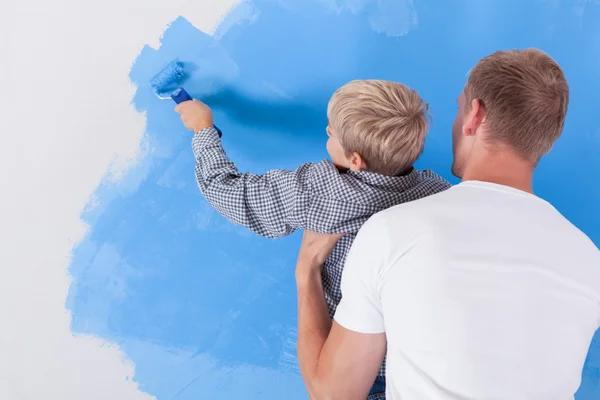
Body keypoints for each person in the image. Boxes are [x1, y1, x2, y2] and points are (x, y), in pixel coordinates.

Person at [294, 48, 600, 400]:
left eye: (458, 109)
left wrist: (306, 274)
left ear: (475, 115)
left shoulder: (393, 230)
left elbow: (334, 394)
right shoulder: (590, 261)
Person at [175, 80, 451, 399]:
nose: (327, 133)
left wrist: (203, 130)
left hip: (354, 365)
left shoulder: (320, 190)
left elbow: (228, 192)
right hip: (420, 364)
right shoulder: (437, 193)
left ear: (356, 160)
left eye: (330, 132)